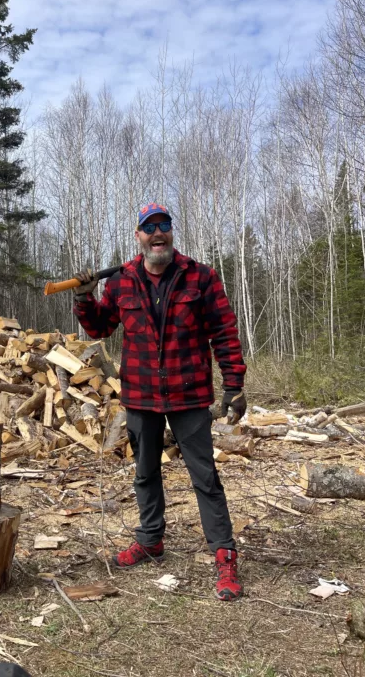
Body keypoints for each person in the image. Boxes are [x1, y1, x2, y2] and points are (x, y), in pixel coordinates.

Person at [73, 202, 247, 601]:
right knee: (145, 472)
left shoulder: (200, 277)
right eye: (149, 227)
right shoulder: (120, 281)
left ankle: (223, 554)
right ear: (138, 235)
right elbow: (100, 326)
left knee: (205, 477)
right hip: (141, 395)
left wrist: (233, 384)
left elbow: (224, 332)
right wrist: (84, 297)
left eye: (163, 226)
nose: (157, 233)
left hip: (189, 394)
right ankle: (151, 540)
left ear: (171, 232)